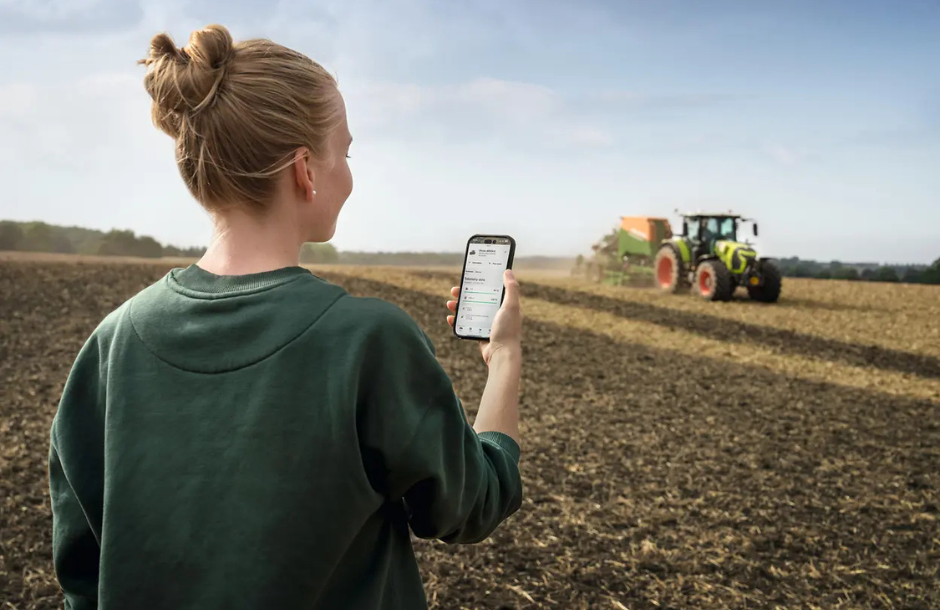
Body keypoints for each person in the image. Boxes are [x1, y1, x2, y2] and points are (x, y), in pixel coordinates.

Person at [48, 24, 524, 610]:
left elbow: (80, 573)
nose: (348, 173)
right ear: (305, 169)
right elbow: (473, 504)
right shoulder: (369, 340)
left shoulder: (110, 344)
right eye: (344, 152)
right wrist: (505, 356)